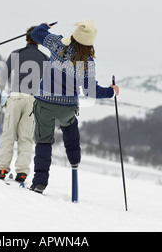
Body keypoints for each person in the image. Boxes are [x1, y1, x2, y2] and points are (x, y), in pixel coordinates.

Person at [29, 20, 120, 193]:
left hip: (44, 104)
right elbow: (90, 91)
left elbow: (35, 34)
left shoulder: (57, 43)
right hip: (67, 107)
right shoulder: (88, 61)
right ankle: (74, 162)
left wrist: (44, 26)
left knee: (43, 141)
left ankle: (39, 182)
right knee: (71, 132)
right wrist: (112, 91)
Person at [0, 26, 49, 182]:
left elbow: (3, 79)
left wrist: (1, 86)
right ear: (39, 40)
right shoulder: (45, 58)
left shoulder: (16, 53)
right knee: (26, 137)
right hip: (33, 101)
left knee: (9, 133)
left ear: (26, 38)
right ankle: (22, 172)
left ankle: (3, 168)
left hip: (16, 97)